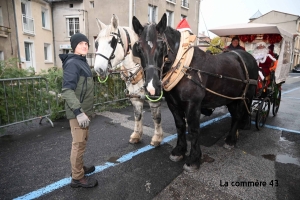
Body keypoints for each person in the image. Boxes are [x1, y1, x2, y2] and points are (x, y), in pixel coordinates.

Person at [59, 33, 98, 188]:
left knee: (83, 142)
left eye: (86, 43)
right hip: (78, 113)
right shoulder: (73, 63)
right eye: (81, 43)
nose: (85, 45)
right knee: (79, 144)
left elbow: (85, 82)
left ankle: (79, 168)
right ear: (74, 46)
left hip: (84, 112)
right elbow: (67, 90)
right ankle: (77, 178)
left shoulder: (82, 61)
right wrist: (78, 112)